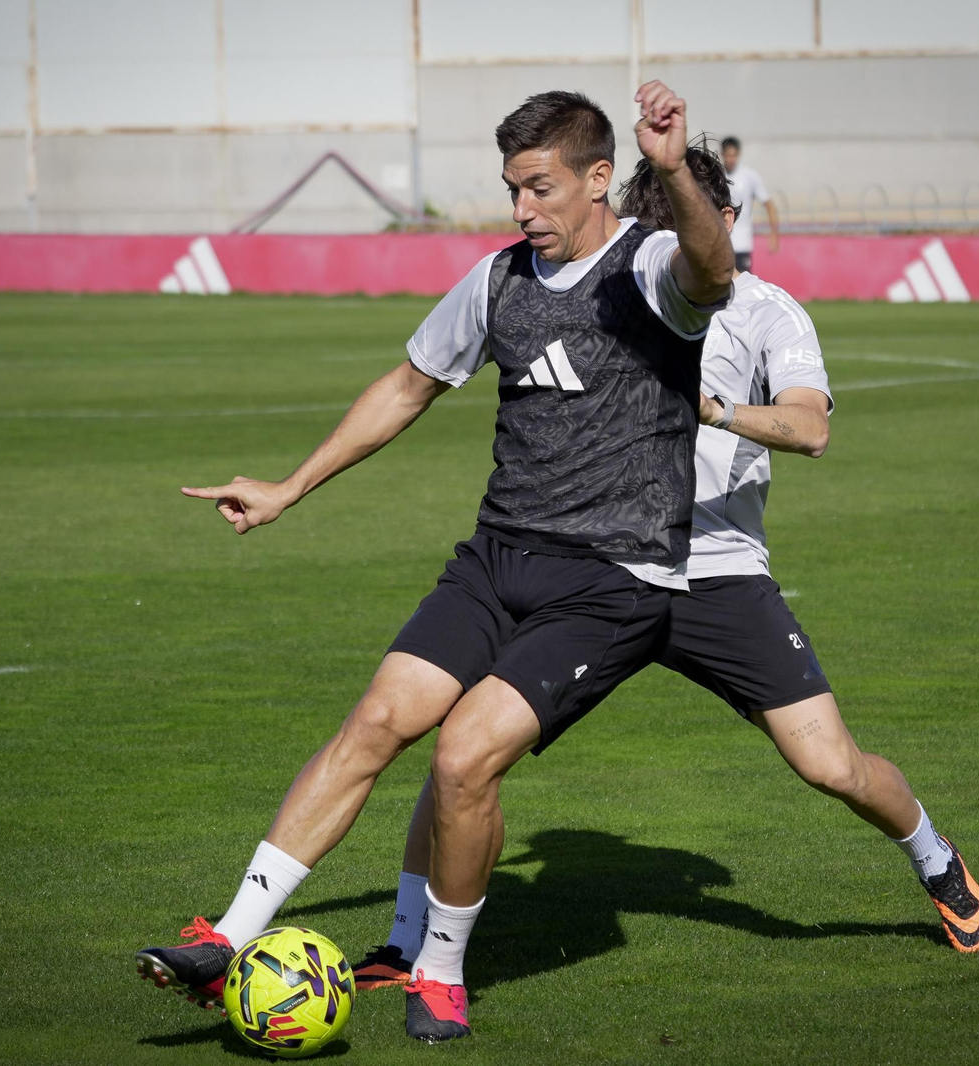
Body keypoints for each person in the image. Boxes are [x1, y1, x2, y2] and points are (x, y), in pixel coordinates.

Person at [137, 81, 735, 1044]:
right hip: (499, 559)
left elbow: (713, 269)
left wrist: (672, 171)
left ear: (597, 178)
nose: (521, 209)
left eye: (540, 188)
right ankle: (228, 937)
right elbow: (409, 385)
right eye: (511, 189)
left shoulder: (656, 266)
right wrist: (292, 486)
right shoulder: (498, 280)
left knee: (463, 759)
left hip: (615, 581)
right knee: (376, 722)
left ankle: (440, 972)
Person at [349, 145, 979, 1003]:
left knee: (830, 765)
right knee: (461, 747)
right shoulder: (611, 290)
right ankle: (405, 944)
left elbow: (812, 431)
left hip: (717, 576)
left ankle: (936, 859)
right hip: (594, 568)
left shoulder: (769, 314)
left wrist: (715, 407)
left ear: (723, 225)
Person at [721, 135, 780, 269]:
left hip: (742, 243)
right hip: (721, 242)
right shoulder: (717, 175)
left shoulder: (749, 176)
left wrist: (774, 234)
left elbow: (769, 205)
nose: (732, 159)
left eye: (734, 155)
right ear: (722, 154)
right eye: (728, 155)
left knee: (742, 285)